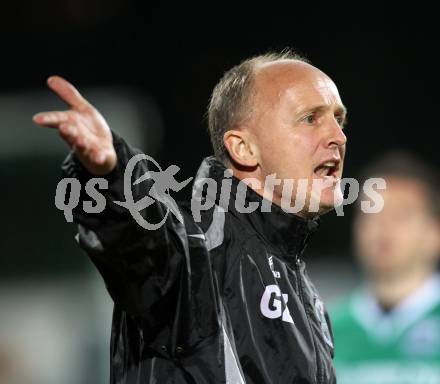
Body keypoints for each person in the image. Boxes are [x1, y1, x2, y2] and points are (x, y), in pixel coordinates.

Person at [33, 50, 347, 384]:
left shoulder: (305, 294)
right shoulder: (200, 247)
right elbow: (146, 244)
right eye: (310, 118)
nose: (338, 137)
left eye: (338, 120)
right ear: (243, 148)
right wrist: (112, 173)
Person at [331, 152, 440, 384]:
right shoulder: (322, 330)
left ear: (435, 233)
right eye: (371, 213)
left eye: (400, 215)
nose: (383, 227)